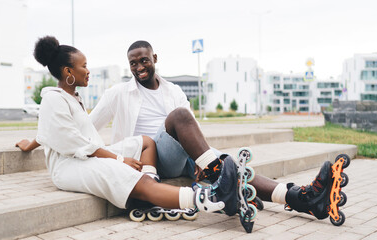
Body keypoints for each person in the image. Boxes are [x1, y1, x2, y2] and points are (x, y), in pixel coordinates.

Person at [17, 40, 347, 222]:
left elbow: (192, 129)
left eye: (143, 60)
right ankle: (218, 175)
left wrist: (205, 161)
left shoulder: (174, 89)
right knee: (179, 119)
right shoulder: (118, 92)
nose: (138, 67)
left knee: (223, 159)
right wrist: (34, 141)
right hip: (152, 158)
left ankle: (301, 198)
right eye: (132, 63)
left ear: (154, 58)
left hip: (182, 154)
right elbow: (79, 129)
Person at [28, 35, 241, 221]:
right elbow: (71, 141)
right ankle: (209, 198)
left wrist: (31, 144)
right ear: (68, 71)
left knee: (145, 142)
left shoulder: (72, 99)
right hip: (69, 165)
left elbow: (53, 131)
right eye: (84, 65)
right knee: (118, 169)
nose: (88, 70)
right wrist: (120, 160)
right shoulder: (53, 100)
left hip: (84, 155)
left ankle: (157, 184)